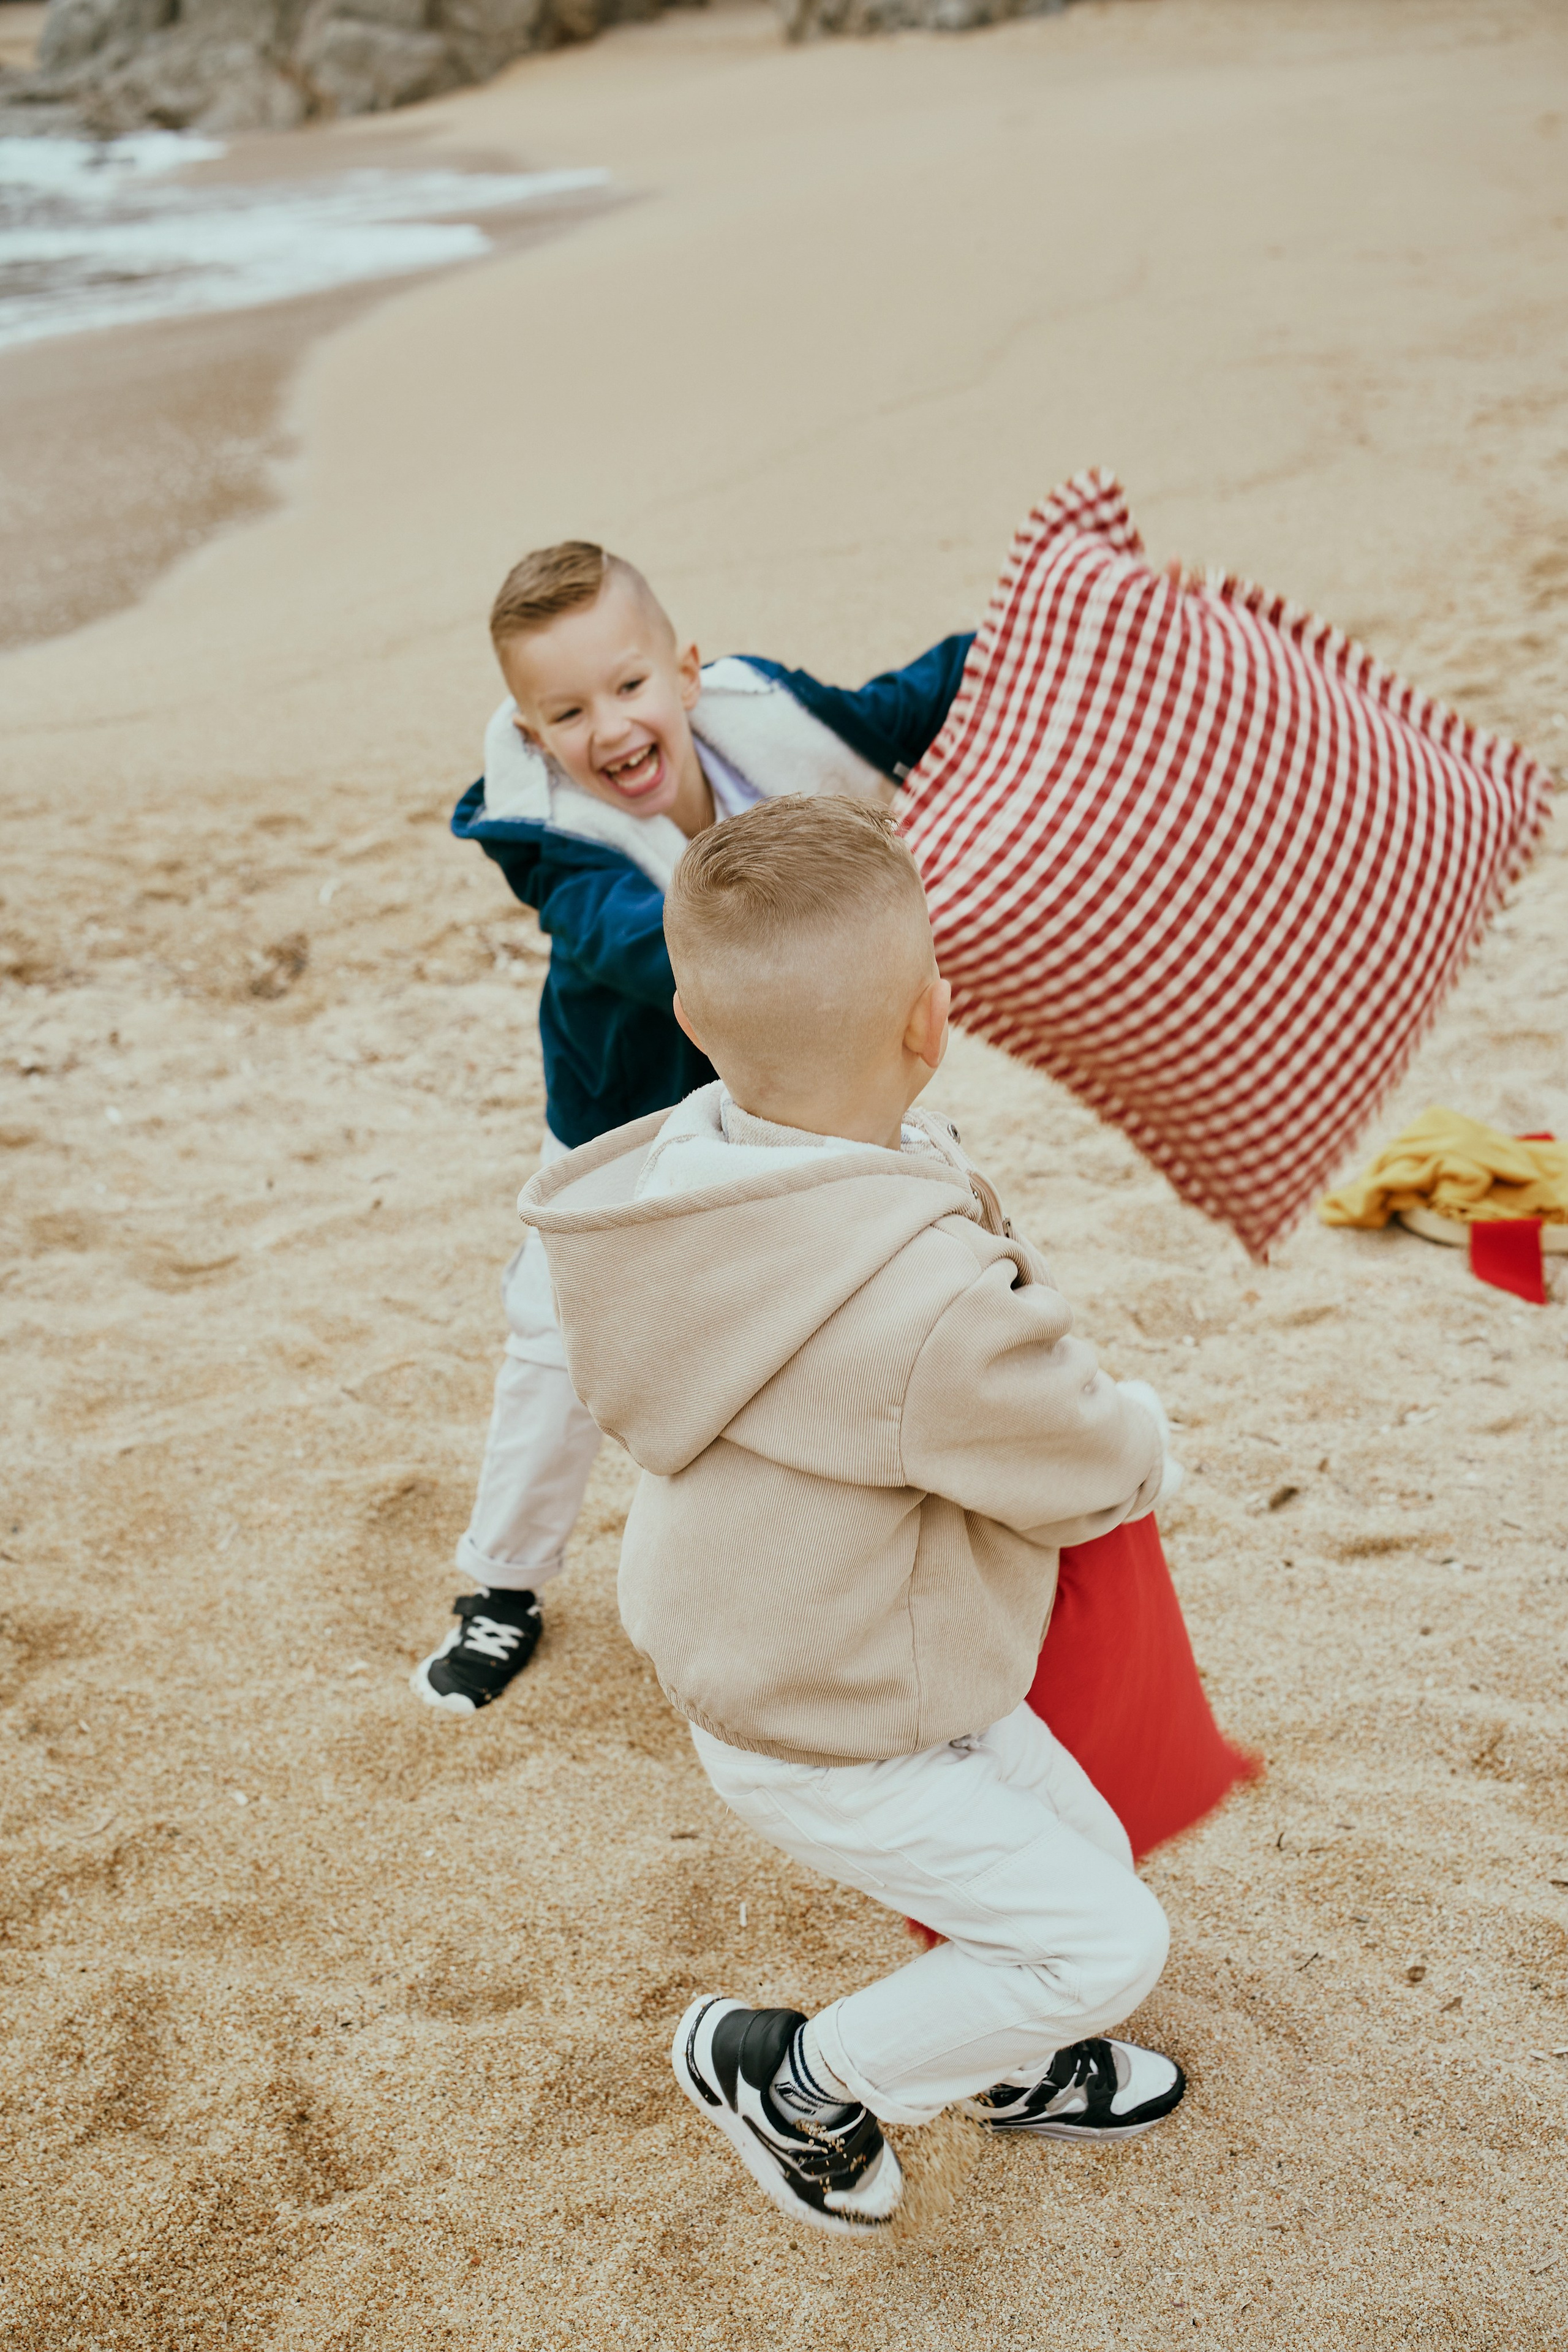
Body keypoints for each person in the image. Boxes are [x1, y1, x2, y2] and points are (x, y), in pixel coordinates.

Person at [514, 796, 1186, 2236]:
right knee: (1110, 1941)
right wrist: (1146, 1438)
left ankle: (1002, 2063)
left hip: (821, 1649)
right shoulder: (915, 1303)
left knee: (1077, 1863)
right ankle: (791, 2075)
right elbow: (1077, 1463)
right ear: (930, 1018)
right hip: (838, 1721)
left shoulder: (694, 1190)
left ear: (692, 1017)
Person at [412, 541, 971, 1714]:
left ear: (685, 670)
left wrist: (1038, 640)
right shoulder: (554, 839)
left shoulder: (765, 722)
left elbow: (905, 707)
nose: (608, 727)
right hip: (628, 1130)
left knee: (883, 1284)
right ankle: (502, 1586)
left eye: (627, 688)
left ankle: (899, 1530)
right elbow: (624, 932)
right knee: (552, 1347)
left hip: (790, 1105)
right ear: (529, 732)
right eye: (566, 711)